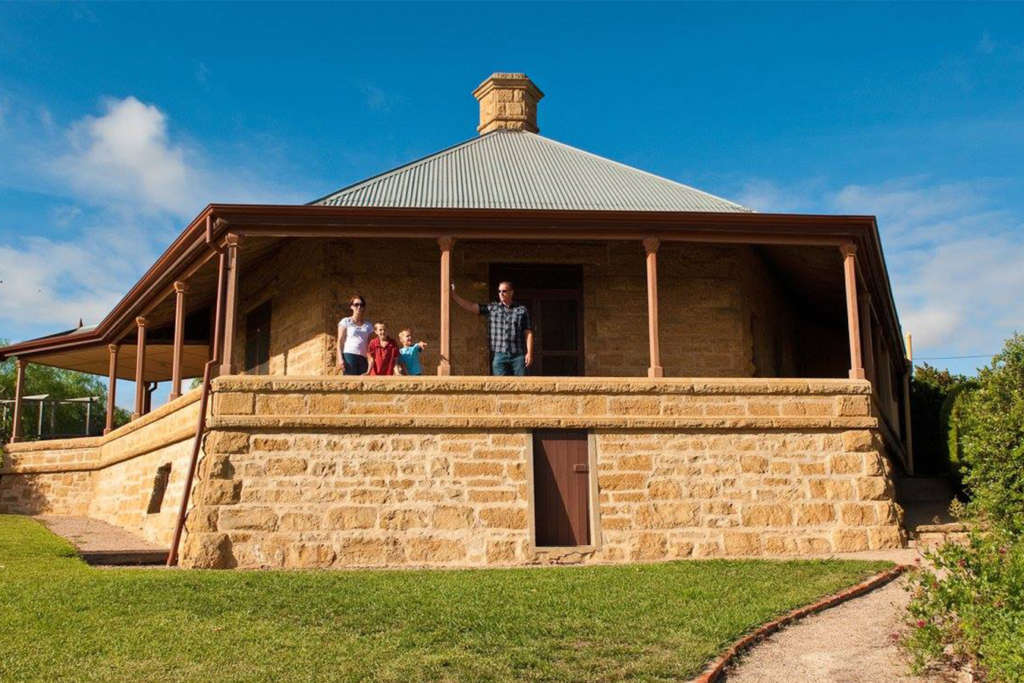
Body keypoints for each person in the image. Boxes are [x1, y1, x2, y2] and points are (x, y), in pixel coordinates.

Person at [451, 280, 533, 376]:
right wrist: (454, 296)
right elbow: (471, 306)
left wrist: (529, 353)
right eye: (499, 291)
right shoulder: (492, 308)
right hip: (499, 355)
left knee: (521, 386)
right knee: (500, 387)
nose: (501, 294)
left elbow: (528, 333)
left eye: (504, 291)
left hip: (517, 356)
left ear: (511, 292)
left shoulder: (521, 310)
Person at [337, 295, 373, 375]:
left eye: (361, 305)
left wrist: (370, 360)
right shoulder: (346, 321)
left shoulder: (368, 325)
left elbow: (369, 344)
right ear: (351, 306)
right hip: (349, 355)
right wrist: (340, 359)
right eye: (356, 304)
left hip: (363, 357)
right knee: (350, 382)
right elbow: (340, 341)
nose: (359, 307)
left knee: (363, 384)